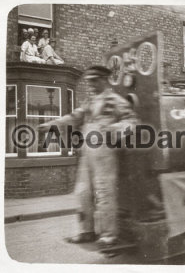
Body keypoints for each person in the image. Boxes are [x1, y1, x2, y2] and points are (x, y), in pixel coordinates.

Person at [38, 65, 139, 246]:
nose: (91, 85)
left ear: (104, 80)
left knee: (104, 192)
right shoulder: (90, 102)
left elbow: (132, 121)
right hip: (87, 153)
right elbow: (74, 116)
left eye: (94, 81)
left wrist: (114, 129)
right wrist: (52, 124)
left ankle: (109, 235)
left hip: (105, 153)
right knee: (83, 192)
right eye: (89, 81)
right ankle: (86, 231)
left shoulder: (115, 100)